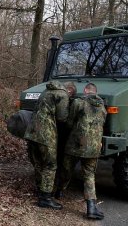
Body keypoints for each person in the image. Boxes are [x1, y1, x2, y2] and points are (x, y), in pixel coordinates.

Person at [56, 83, 107, 219]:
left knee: (66, 169)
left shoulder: (79, 102)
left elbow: (69, 123)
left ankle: (58, 192)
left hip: (76, 144)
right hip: (94, 147)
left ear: (85, 91)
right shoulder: (102, 107)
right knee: (89, 175)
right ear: (95, 92)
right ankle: (91, 208)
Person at [24, 80, 76, 210]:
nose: (69, 97)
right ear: (69, 90)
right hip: (45, 133)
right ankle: (46, 198)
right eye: (71, 95)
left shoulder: (46, 91)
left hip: (32, 131)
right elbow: (62, 117)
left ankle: (40, 190)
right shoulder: (62, 94)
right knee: (50, 164)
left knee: (38, 163)